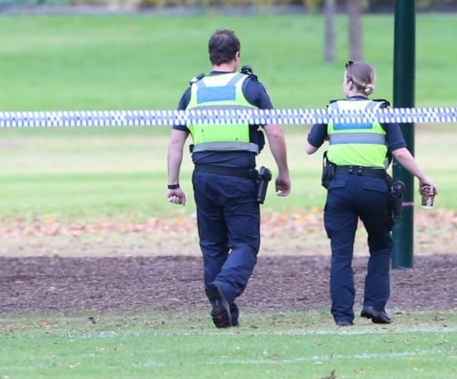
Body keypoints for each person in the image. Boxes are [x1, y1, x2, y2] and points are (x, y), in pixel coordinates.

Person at [166, 29, 291, 329]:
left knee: (212, 246)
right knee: (246, 243)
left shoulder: (192, 91)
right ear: (237, 56)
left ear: (211, 56)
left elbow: (175, 143)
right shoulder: (250, 87)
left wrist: (173, 184)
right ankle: (225, 288)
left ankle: (222, 311)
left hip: (204, 177)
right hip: (239, 177)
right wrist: (284, 172)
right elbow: (274, 131)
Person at [305, 61, 436, 327]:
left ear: (350, 84)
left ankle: (342, 316)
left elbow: (309, 147)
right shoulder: (382, 112)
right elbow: (399, 152)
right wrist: (423, 177)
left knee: (341, 252)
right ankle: (374, 305)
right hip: (374, 187)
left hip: (340, 187)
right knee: (381, 244)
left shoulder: (332, 110)